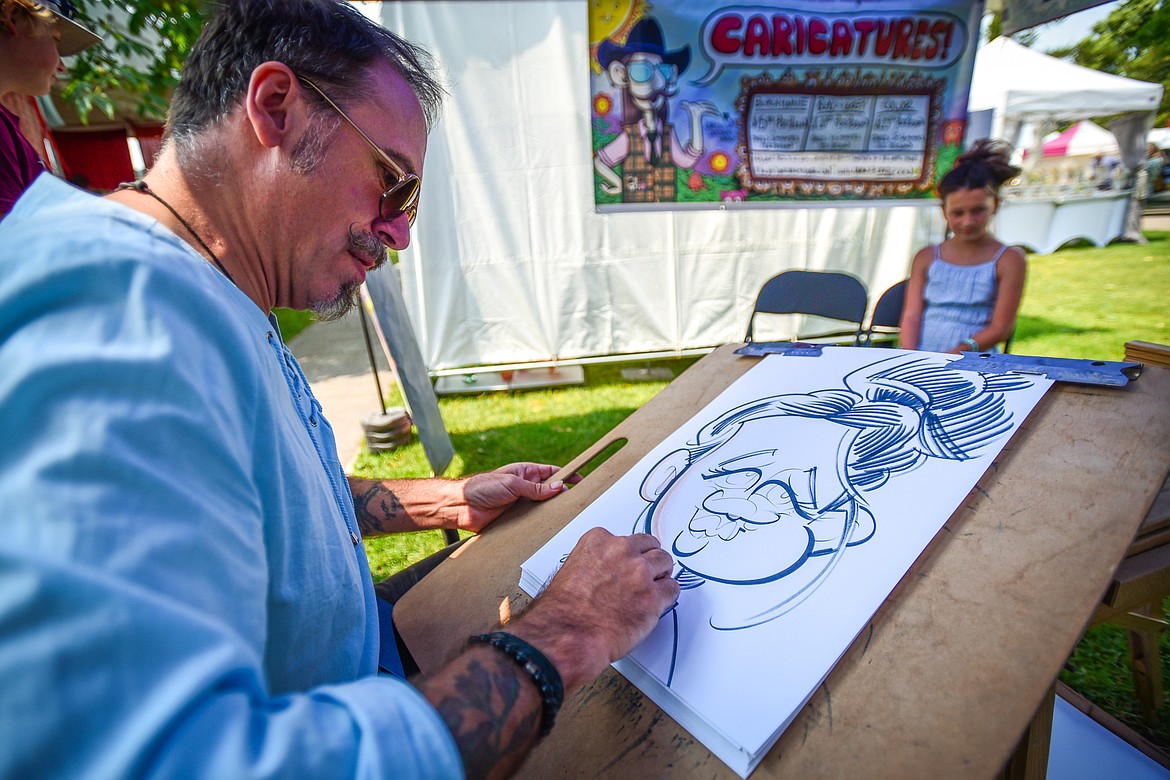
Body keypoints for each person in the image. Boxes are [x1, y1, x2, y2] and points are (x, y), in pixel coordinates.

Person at [0, 2, 679, 779]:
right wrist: (570, 631)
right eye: (392, 182)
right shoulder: (114, 314)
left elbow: (256, 489)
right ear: (276, 108)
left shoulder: (205, 291)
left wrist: (446, 501)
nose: (399, 232)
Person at [899, 139, 1026, 354]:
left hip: (975, 359)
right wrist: (912, 356)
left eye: (977, 211)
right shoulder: (927, 257)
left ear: (994, 205)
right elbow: (912, 314)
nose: (968, 222)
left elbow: (1001, 327)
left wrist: (959, 352)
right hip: (922, 357)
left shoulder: (1009, 260)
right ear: (944, 211)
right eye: (958, 213)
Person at [0, 0, 101, 217]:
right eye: (55, 40)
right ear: (13, 17)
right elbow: (12, 238)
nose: (62, 66)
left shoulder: (6, 124)